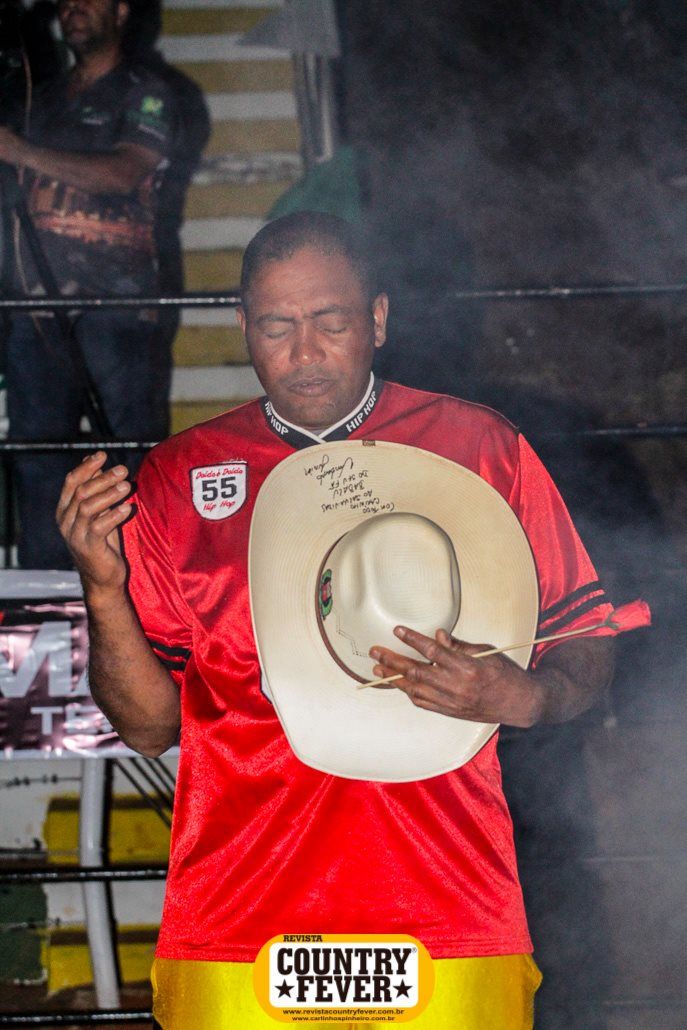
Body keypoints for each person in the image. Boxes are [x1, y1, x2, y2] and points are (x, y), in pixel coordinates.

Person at [56, 212, 615, 1029]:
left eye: (331, 321)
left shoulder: (481, 449)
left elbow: (584, 637)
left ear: (378, 319)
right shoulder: (180, 478)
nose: (305, 352)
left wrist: (529, 697)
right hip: (237, 917)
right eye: (276, 326)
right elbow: (148, 728)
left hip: (448, 905)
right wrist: (103, 589)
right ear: (243, 327)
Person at [0, 0, 186, 569]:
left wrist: (19, 150)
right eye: (66, 0)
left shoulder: (147, 91)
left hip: (119, 304)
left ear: (121, 10)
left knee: (129, 450)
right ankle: (45, 592)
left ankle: (141, 579)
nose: (73, 8)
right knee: (38, 454)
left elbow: (125, 172)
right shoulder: (41, 97)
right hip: (36, 309)